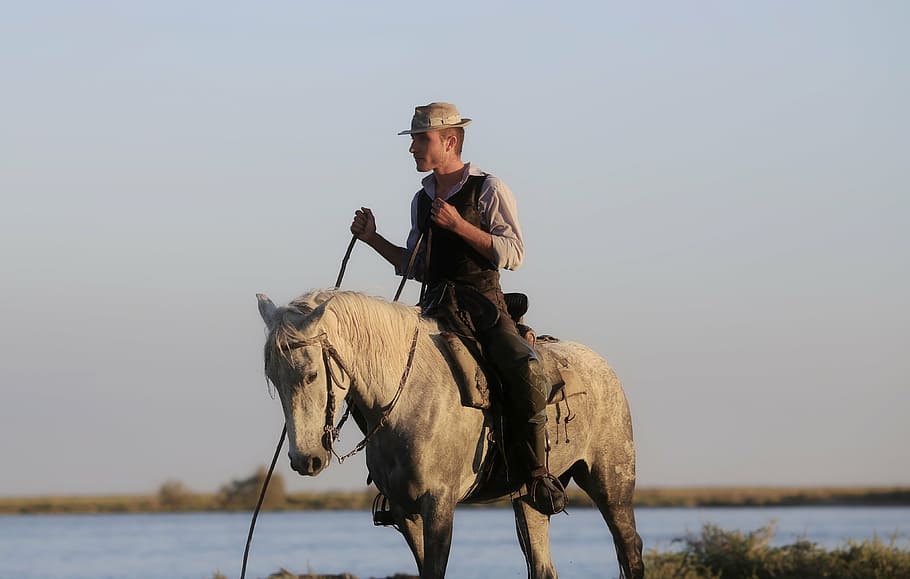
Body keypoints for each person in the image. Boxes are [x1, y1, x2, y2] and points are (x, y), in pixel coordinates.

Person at [350, 102, 565, 515]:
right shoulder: (422, 198)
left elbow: (513, 253)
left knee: (526, 369)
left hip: (481, 306)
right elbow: (415, 265)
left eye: (420, 139)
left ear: (449, 142)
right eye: (413, 140)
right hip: (432, 307)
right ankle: (396, 478)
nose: (412, 148)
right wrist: (373, 239)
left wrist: (459, 226)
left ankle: (537, 474)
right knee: (369, 375)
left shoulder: (488, 188)